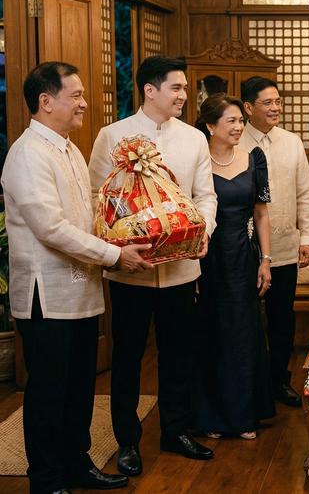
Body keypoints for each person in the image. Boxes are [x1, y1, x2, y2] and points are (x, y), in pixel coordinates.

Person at [4, 62, 152, 494]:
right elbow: (50, 227)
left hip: (83, 288)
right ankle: (46, 479)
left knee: (80, 387)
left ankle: (76, 462)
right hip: (45, 295)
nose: (85, 102)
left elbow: (88, 211)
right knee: (49, 393)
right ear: (46, 102)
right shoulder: (27, 153)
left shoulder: (68, 147)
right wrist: (113, 254)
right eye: (76, 95)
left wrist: (131, 227)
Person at [88, 55, 218, 476]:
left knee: (178, 351)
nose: (185, 96)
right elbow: (96, 197)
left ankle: (174, 430)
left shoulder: (195, 138)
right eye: (177, 88)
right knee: (126, 356)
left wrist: (204, 231)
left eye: (184, 89)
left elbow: (206, 195)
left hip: (182, 267)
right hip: (131, 268)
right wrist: (117, 244)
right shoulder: (112, 135)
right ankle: (127, 440)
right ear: (150, 90)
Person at [191, 93, 276, 439]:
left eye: (242, 120)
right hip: (205, 258)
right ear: (210, 126)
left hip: (243, 257)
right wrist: (189, 268)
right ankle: (211, 417)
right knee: (209, 334)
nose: (240, 126)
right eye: (232, 121)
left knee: (242, 336)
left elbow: (261, 213)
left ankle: (243, 416)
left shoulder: (254, 159)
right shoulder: (194, 162)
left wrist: (266, 261)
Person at [238, 76, 309, 408]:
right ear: (248, 108)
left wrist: (308, 237)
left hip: (285, 246)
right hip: (244, 248)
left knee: (282, 319)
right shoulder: (233, 139)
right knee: (246, 319)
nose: (275, 108)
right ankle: (249, 386)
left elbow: (305, 193)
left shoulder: (291, 141)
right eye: (268, 102)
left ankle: (278, 382)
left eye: (278, 101)